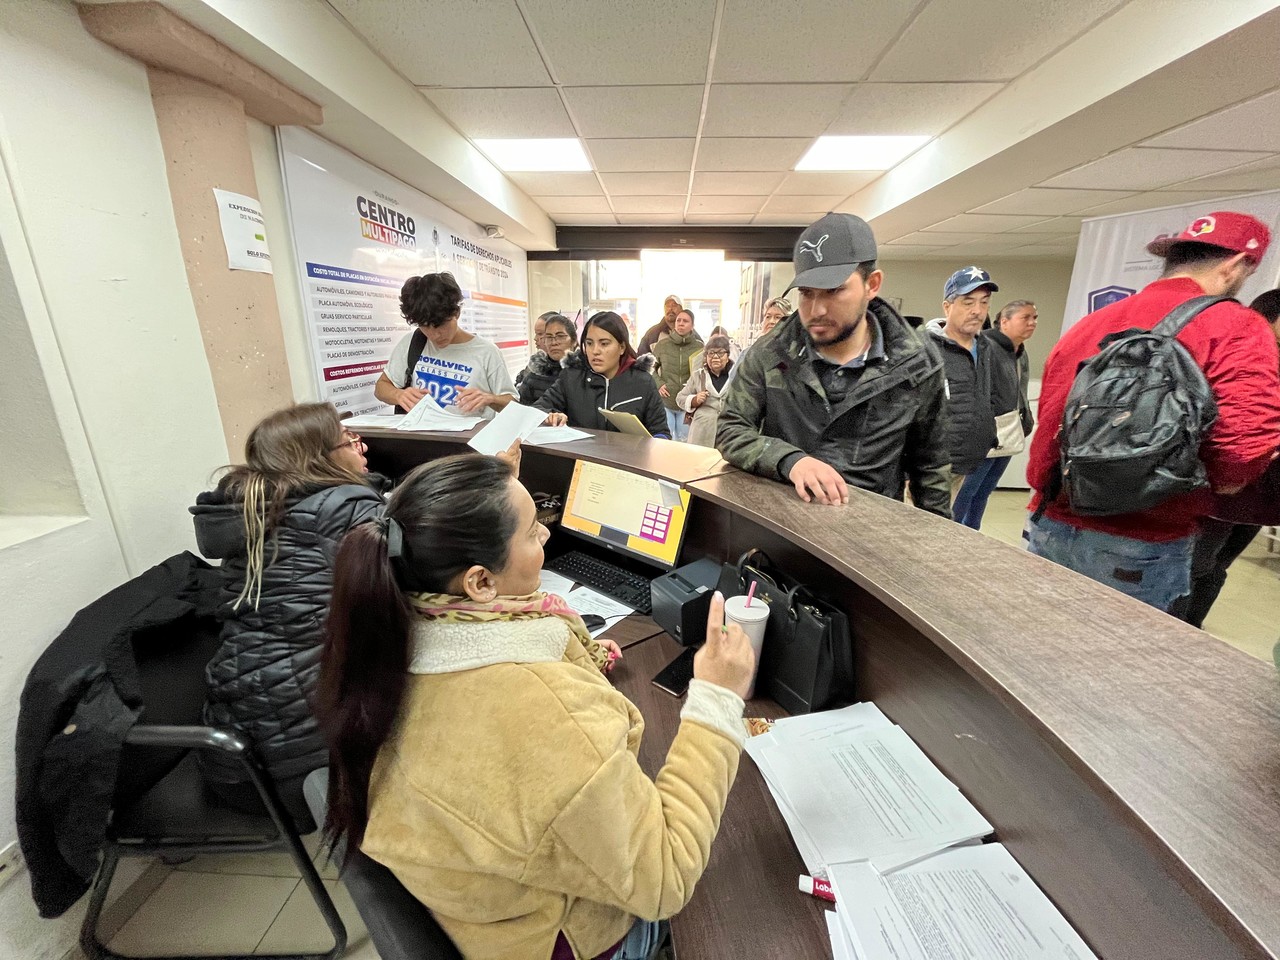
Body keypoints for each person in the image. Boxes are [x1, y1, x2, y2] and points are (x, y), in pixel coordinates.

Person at [315, 453, 755, 960]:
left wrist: (573, 662)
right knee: (735, 909)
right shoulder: (537, 711)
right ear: (480, 583)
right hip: (560, 937)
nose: (547, 536)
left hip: (483, 912)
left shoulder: (389, 638)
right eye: (531, 532)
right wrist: (717, 701)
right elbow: (666, 878)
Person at [1027, 211, 1280, 612]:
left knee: (1032, 651)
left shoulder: (1094, 322)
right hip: (1145, 538)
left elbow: (1051, 422)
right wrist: (1213, 484)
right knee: (1118, 665)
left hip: (1052, 520)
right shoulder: (1236, 327)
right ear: (1235, 266)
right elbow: (1242, 450)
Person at [190, 403, 384, 826]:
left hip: (235, 761)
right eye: (350, 440)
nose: (362, 446)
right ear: (321, 458)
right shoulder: (345, 507)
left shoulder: (259, 509)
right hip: (302, 780)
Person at [717, 213, 952, 513]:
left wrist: (933, 543)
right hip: (784, 522)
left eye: (834, 291)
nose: (816, 309)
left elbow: (931, 466)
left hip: (871, 529)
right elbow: (731, 429)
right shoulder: (771, 352)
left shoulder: (917, 363)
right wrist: (790, 461)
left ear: (873, 284)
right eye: (806, 293)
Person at [1174, 288, 1280, 627]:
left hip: (1259, 495)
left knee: (1213, 567)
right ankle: (1175, 632)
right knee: (1194, 567)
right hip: (1223, 488)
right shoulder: (1243, 356)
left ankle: (1190, 628)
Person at [373, 272, 517, 418]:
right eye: (425, 326)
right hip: (419, 437)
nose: (435, 335)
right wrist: (399, 395)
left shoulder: (487, 352)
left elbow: (513, 404)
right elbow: (381, 387)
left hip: (468, 439)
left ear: (457, 313)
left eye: (440, 325)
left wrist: (490, 399)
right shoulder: (413, 342)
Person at [949, 299, 1039, 530]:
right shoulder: (985, 346)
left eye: (1034, 318)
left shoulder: (1020, 353)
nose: (1032, 323)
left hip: (1009, 433)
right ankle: (953, 536)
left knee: (983, 492)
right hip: (985, 434)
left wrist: (1025, 420)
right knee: (965, 494)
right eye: (1025, 318)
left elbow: (1020, 390)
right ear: (1005, 321)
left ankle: (973, 535)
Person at [928, 267, 1000, 521]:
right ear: (947, 307)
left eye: (984, 303)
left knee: (943, 525)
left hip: (965, 460)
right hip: (929, 467)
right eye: (968, 302)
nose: (978, 311)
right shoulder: (925, 350)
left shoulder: (985, 347)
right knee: (918, 534)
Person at [536, 311, 669, 437]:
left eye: (604, 344)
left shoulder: (642, 382)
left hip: (627, 459)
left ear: (622, 347)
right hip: (582, 459)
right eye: (589, 343)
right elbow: (536, 409)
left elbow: (660, 431)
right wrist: (549, 416)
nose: (595, 351)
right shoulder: (571, 377)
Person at [652, 307, 703, 441]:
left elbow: (703, 373)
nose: (680, 323)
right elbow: (650, 367)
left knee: (684, 442)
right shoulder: (662, 345)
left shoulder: (699, 347)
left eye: (685, 321)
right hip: (666, 402)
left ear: (692, 325)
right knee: (665, 442)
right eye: (678, 320)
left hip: (686, 404)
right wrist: (659, 384)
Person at [677, 334, 734, 448]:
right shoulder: (698, 375)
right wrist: (694, 400)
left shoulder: (736, 376)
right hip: (701, 433)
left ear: (727, 357)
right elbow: (680, 398)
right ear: (706, 356)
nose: (715, 357)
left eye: (721, 353)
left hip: (729, 433)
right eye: (711, 353)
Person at [516, 313, 577, 405]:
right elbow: (525, 413)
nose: (554, 342)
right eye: (549, 337)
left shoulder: (586, 374)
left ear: (574, 340)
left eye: (560, 336)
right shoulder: (533, 377)